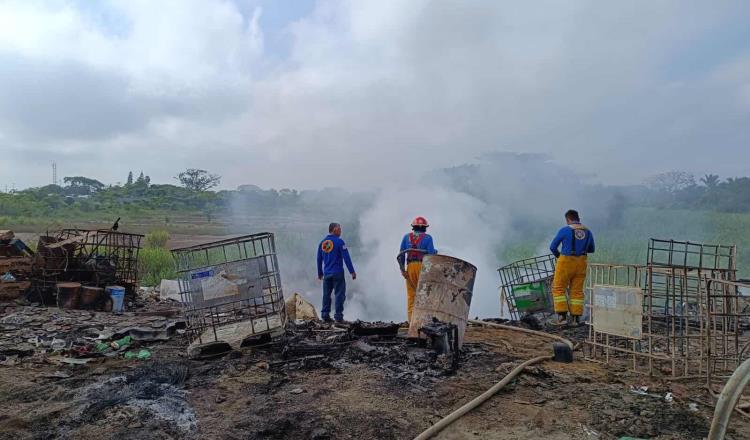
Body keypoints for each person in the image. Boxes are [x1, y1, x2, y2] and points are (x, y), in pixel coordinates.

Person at [549, 209, 595, 325]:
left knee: (558, 288)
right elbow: (592, 249)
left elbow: (553, 247)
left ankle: (562, 318)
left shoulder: (565, 230)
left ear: (568, 219)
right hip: (581, 263)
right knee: (577, 291)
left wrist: (559, 257)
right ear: (578, 218)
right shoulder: (588, 231)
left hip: (566, 262)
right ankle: (575, 319)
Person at [397, 216, 437, 322]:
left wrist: (403, 271)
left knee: (411, 296)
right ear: (425, 228)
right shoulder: (428, 238)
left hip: (410, 268)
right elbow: (431, 254)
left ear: (413, 227)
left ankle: (412, 323)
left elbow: (401, 255)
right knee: (425, 294)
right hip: (422, 268)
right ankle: (424, 322)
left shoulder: (406, 237)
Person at [317, 222, 356, 323]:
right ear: (334, 229)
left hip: (327, 274)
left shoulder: (322, 243)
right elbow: (346, 257)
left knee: (326, 294)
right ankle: (338, 317)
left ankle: (325, 315)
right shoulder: (339, 242)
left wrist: (320, 273)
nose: (341, 231)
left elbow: (318, 259)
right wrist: (352, 271)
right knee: (339, 294)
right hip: (337, 273)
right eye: (339, 229)